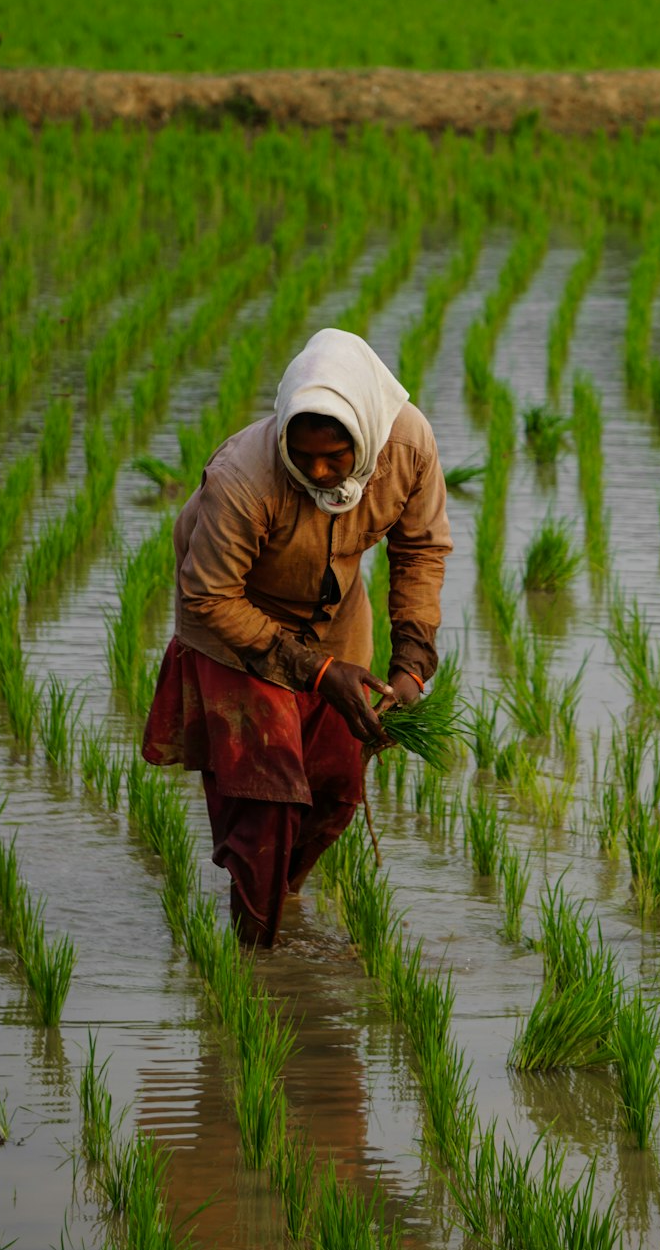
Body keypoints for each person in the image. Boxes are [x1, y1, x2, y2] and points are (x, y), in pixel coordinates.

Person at [142, 328, 452, 946]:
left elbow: (420, 550)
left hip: (335, 621)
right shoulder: (245, 478)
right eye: (303, 454)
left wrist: (411, 664)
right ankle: (254, 956)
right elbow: (208, 597)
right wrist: (313, 671)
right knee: (267, 798)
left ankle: (279, 895)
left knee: (335, 788)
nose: (316, 469)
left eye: (334, 457)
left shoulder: (408, 447)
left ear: (363, 439)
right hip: (237, 625)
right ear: (283, 433)